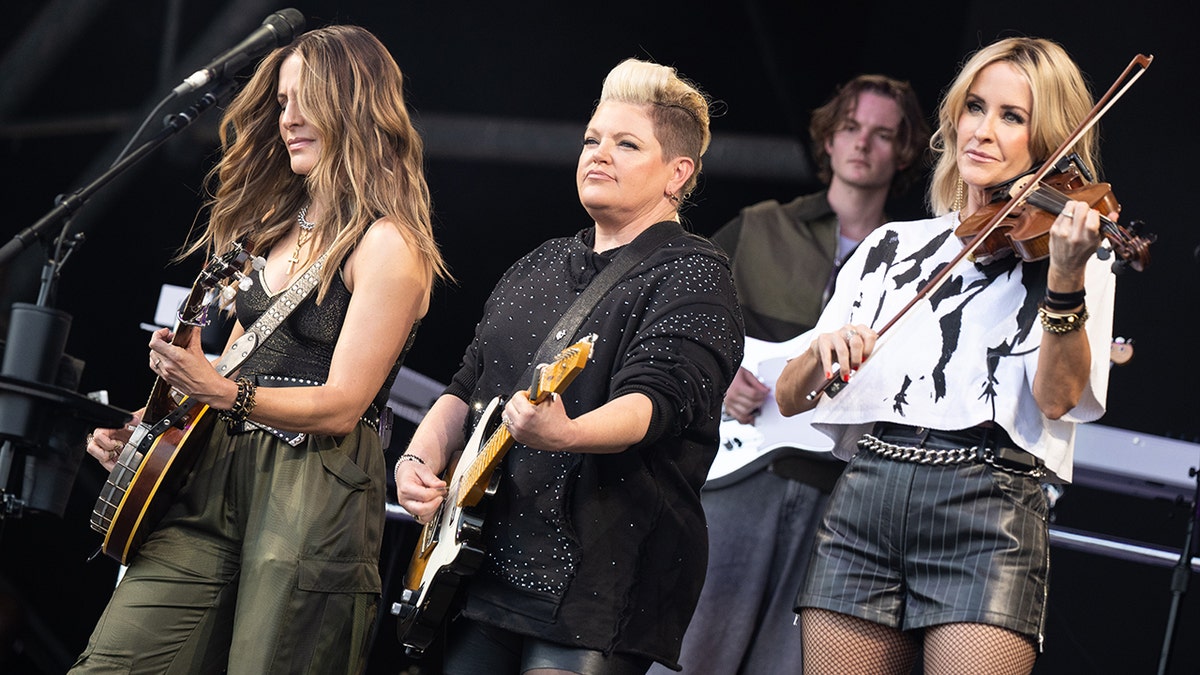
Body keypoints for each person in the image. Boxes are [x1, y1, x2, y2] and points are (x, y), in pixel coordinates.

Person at [71, 24, 447, 673]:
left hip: (314, 485)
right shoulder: (269, 227)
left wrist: (220, 391)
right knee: (115, 662)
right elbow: (235, 362)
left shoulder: (389, 244)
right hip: (212, 468)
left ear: (354, 103)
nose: (289, 117)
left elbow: (342, 404)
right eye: (280, 101)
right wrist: (148, 430)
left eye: (308, 98)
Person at [775, 36, 1117, 675]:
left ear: (1048, 143)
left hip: (989, 509)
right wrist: (821, 353)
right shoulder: (890, 245)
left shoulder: (1071, 249)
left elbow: (1057, 398)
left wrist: (1066, 281)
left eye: (1012, 117)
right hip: (866, 500)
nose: (983, 131)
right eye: (975, 107)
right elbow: (792, 395)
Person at [394, 58, 744, 674]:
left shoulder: (694, 272)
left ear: (677, 173)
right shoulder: (541, 262)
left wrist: (569, 434)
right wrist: (419, 458)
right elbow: (469, 383)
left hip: (598, 585)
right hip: (479, 566)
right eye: (591, 140)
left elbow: (659, 401)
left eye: (626, 144)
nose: (598, 154)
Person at [658, 75, 929, 674]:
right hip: (737, 471)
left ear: (905, 152)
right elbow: (678, 312)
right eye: (851, 128)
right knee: (693, 650)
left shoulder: (915, 256)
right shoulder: (762, 226)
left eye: (884, 135)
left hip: (840, 489)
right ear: (828, 140)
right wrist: (715, 376)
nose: (863, 145)